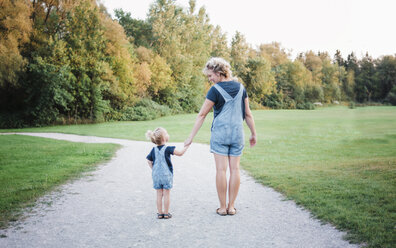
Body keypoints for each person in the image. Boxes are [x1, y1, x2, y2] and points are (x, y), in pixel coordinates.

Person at [184, 57, 257, 216]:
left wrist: (190, 137)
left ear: (219, 72)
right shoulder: (241, 88)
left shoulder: (215, 90)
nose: (210, 79)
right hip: (237, 134)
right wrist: (253, 133)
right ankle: (231, 207)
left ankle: (222, 208)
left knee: (221, 170)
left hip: (220, 135)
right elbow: (248, 114)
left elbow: (202, 114)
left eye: (210, 75)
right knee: (235, 169)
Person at [146, 127, 189, 219]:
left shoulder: (153, 150)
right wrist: (186, 146)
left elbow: (148, 160)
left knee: (158, 194)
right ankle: (166, 213)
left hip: (156, 175)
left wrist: (153, 169)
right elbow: (180, 153)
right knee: (166, 194)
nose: (168, 135)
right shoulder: (168, 149)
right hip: (166, 175)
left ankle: (160, 213)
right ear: (163, 138)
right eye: (166, 133)